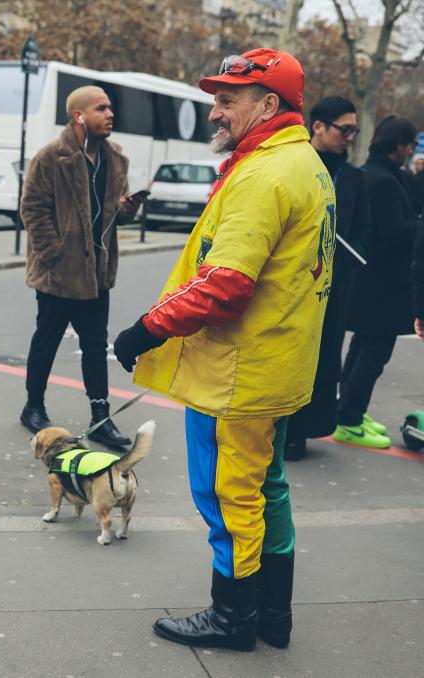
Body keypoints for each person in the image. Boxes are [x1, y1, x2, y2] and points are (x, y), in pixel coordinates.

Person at [113, 48, 334, 651]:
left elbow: (226, 283)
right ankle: (272, 615)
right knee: (268, 488)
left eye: (227, 101)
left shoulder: (263, 174)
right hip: (276, 365)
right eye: (216, 99)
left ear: (269, 105)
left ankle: (232, 618)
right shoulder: (302, 162)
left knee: (228, 494)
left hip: (238, 374)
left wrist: (144, 330)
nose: (215, 112)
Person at [18, 85, 145, 450]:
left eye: (110, 109)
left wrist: (126, 210)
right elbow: (33, 210)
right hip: (58, 273)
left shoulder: (115, 159)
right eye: (101, 109)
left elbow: (109, 215)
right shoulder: (50, 158)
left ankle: (100, 419)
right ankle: (33, 407)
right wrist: (53, 254)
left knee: (94, 346)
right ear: (79, 115)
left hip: (96, 274)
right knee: (46, 341)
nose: (110, 115)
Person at [284, 96, 372, 461]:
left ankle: (301, 432)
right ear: (317, 126)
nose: (350, 136)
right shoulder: (294, 164)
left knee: (321, 360)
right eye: (344, 128)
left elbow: (365, 232)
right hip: (289, 284)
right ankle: (279, 428)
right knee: (286, 357)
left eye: (355, 129)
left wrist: (344, 256)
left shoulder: (354, 177)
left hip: (332, 287)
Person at [334, 116, 422, 447]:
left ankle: (347, 410)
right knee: (373, 354)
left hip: (371, 282)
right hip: (382, 286)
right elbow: (395, 230)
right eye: (409, 144)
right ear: (397, 145)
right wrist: (420, 225)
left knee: (362, 349)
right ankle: (349, 420)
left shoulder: (377, 173)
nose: (411, 150)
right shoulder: (383, 180)